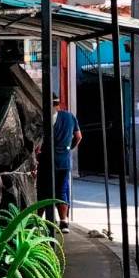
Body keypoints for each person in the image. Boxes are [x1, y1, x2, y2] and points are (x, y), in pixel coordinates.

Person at [51, 95, 82, 231]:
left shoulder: (47, 118)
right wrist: (69, 148)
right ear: (59, 103)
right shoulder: (70, 117)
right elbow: (79, 136)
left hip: (49, 159)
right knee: (63, 189)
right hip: (64, 158)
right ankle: (64, 221)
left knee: (46, 191)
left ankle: (41, 222)